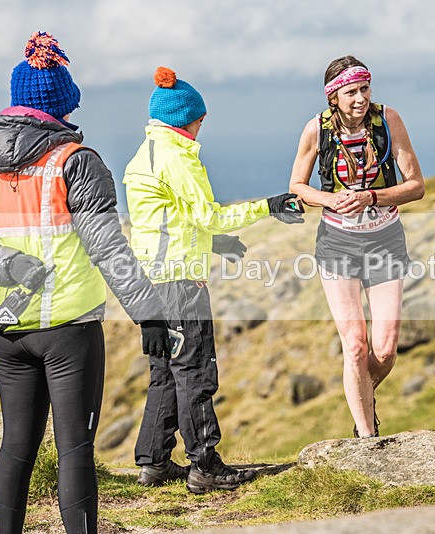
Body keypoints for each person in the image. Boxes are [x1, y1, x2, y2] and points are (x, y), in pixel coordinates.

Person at [0, 32, 171, 533]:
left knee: (16, 447)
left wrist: (7, 266)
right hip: (69, 329)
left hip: (6, 331)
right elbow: (109, 248)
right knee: (74, 448)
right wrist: (149, 313)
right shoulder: (75, 161)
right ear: (61, 102)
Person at [124, 66, 303, 493]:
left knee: (164, 371)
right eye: (200, 118)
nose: (203, 125)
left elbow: (167, 221)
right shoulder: (179, 157)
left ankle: (154, 461)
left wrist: (214, 243)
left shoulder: (143, 155)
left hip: (154, 280)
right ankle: (205, 465)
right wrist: (269, 205)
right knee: (196, 371)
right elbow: (210, 214)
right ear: (184, 118)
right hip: (183, 284)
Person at [289, 56, 424, 438]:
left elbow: (416, 185)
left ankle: (361, 393)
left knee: (384, 349)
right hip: (337, 243)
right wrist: (329, 200)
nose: (361, 99)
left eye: (365, 89)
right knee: (354, 343)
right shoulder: (316, 129)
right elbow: (297, 185)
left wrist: (372, 197)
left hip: (385, 239)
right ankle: (367, 436)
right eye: (351, 92)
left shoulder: (389, 121)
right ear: (334, 96)